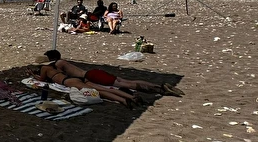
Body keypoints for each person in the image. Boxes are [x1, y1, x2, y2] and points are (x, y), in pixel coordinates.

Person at [40, 50, 184, 96]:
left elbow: (60, 76)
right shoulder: (63, 61)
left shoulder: (58, 63)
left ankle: (160, 89)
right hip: (93, 72)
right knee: (125, 81)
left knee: (127, 84)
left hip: (90, 76)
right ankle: (159, 86)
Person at [35, 61, 139, 108]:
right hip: (77, 78)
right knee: (103, 88)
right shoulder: (54, 67)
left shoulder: (44, 68)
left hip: (69, 81)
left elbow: (41, 79)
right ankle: (131, 97)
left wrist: (33, 74)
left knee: (99, 92)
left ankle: (123, 100)